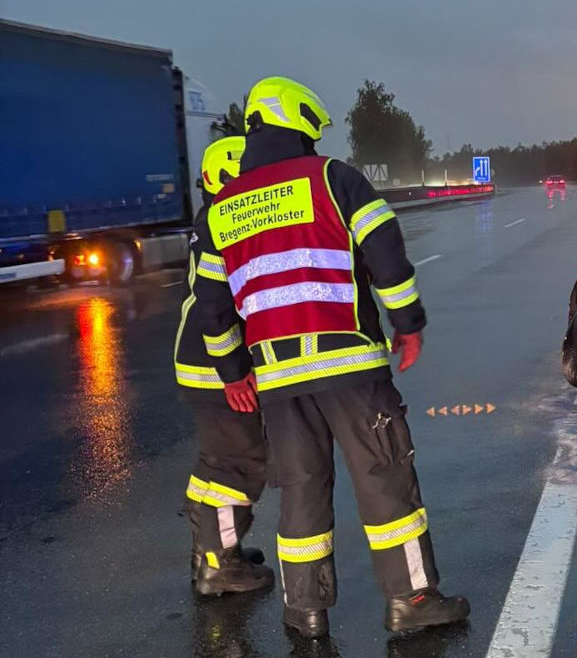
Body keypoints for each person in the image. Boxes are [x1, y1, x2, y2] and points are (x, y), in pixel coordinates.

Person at [191, 76, 469, 639]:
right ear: (297, 121)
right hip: (349, 367)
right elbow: (384, 252)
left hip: (277, 381)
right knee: (385, 479)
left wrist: (233, 372)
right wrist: (408, 322)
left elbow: (211, 306)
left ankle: (305, 612)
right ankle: (412, 599)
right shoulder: (332, 178)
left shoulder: (222, 208)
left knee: (301, 493)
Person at [177, 136, 274, 595]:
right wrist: (233, 371)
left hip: (201, 362)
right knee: (238, 464)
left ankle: (210, 550)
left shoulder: (210, 219)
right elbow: (217, 308)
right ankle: (221, 565)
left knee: (215, 462)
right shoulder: (226, 222)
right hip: (217, 365)